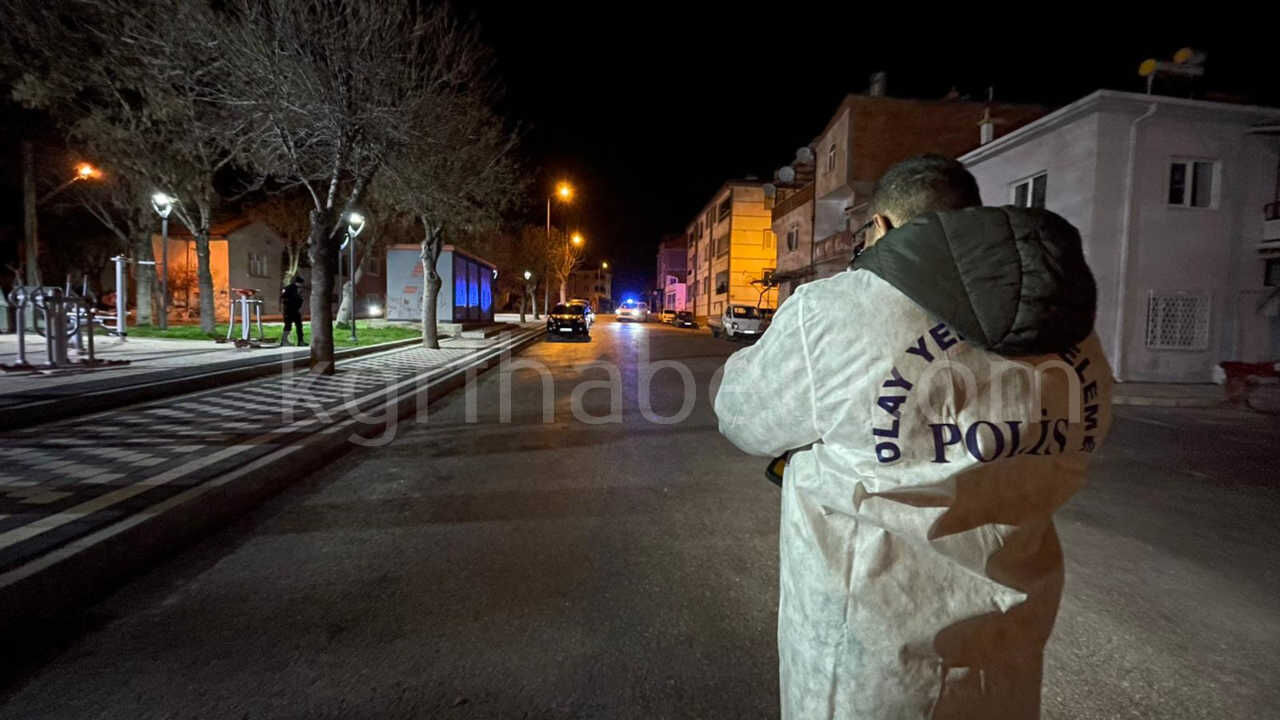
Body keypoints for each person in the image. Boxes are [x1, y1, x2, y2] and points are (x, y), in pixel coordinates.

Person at [714, 154, 1113, 719]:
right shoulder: (1070, 327)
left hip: (869, 662)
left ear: (882, 228)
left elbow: (743, 416)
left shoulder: (840, 309)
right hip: (1006, 645)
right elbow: (1082, 440)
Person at [280, 275, 305, 346]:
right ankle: (285, 341)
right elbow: (284, 298)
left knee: (297, 325)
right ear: (298, 283)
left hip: (293, 310)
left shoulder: (295, 288)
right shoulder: (291, 288)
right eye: (301, 284)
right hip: (290, 310)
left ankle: (300, 341)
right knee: (289, 325)